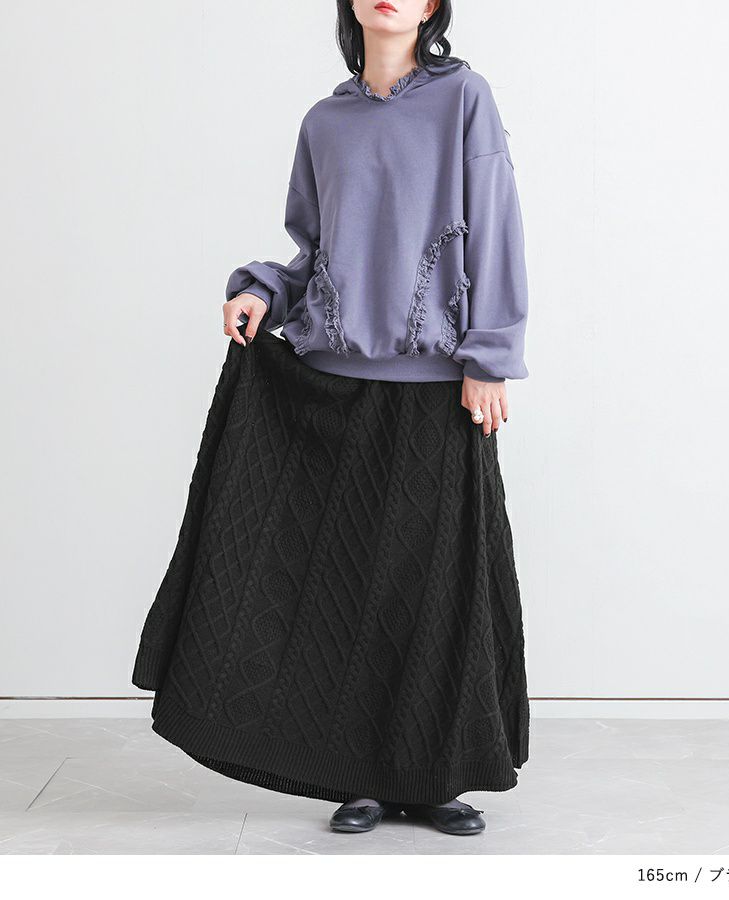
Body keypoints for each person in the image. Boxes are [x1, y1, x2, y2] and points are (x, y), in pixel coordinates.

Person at [132, 0, 530, 838]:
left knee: (433, 588)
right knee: (349, 586)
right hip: (331, 384)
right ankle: (361, 776)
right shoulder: (325, 122)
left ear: (433, 6)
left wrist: (489, 355)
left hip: (434, 385)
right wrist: (261, 291)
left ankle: (432, 776)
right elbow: (313, 252)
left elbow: (495, 223)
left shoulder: (464, 98)